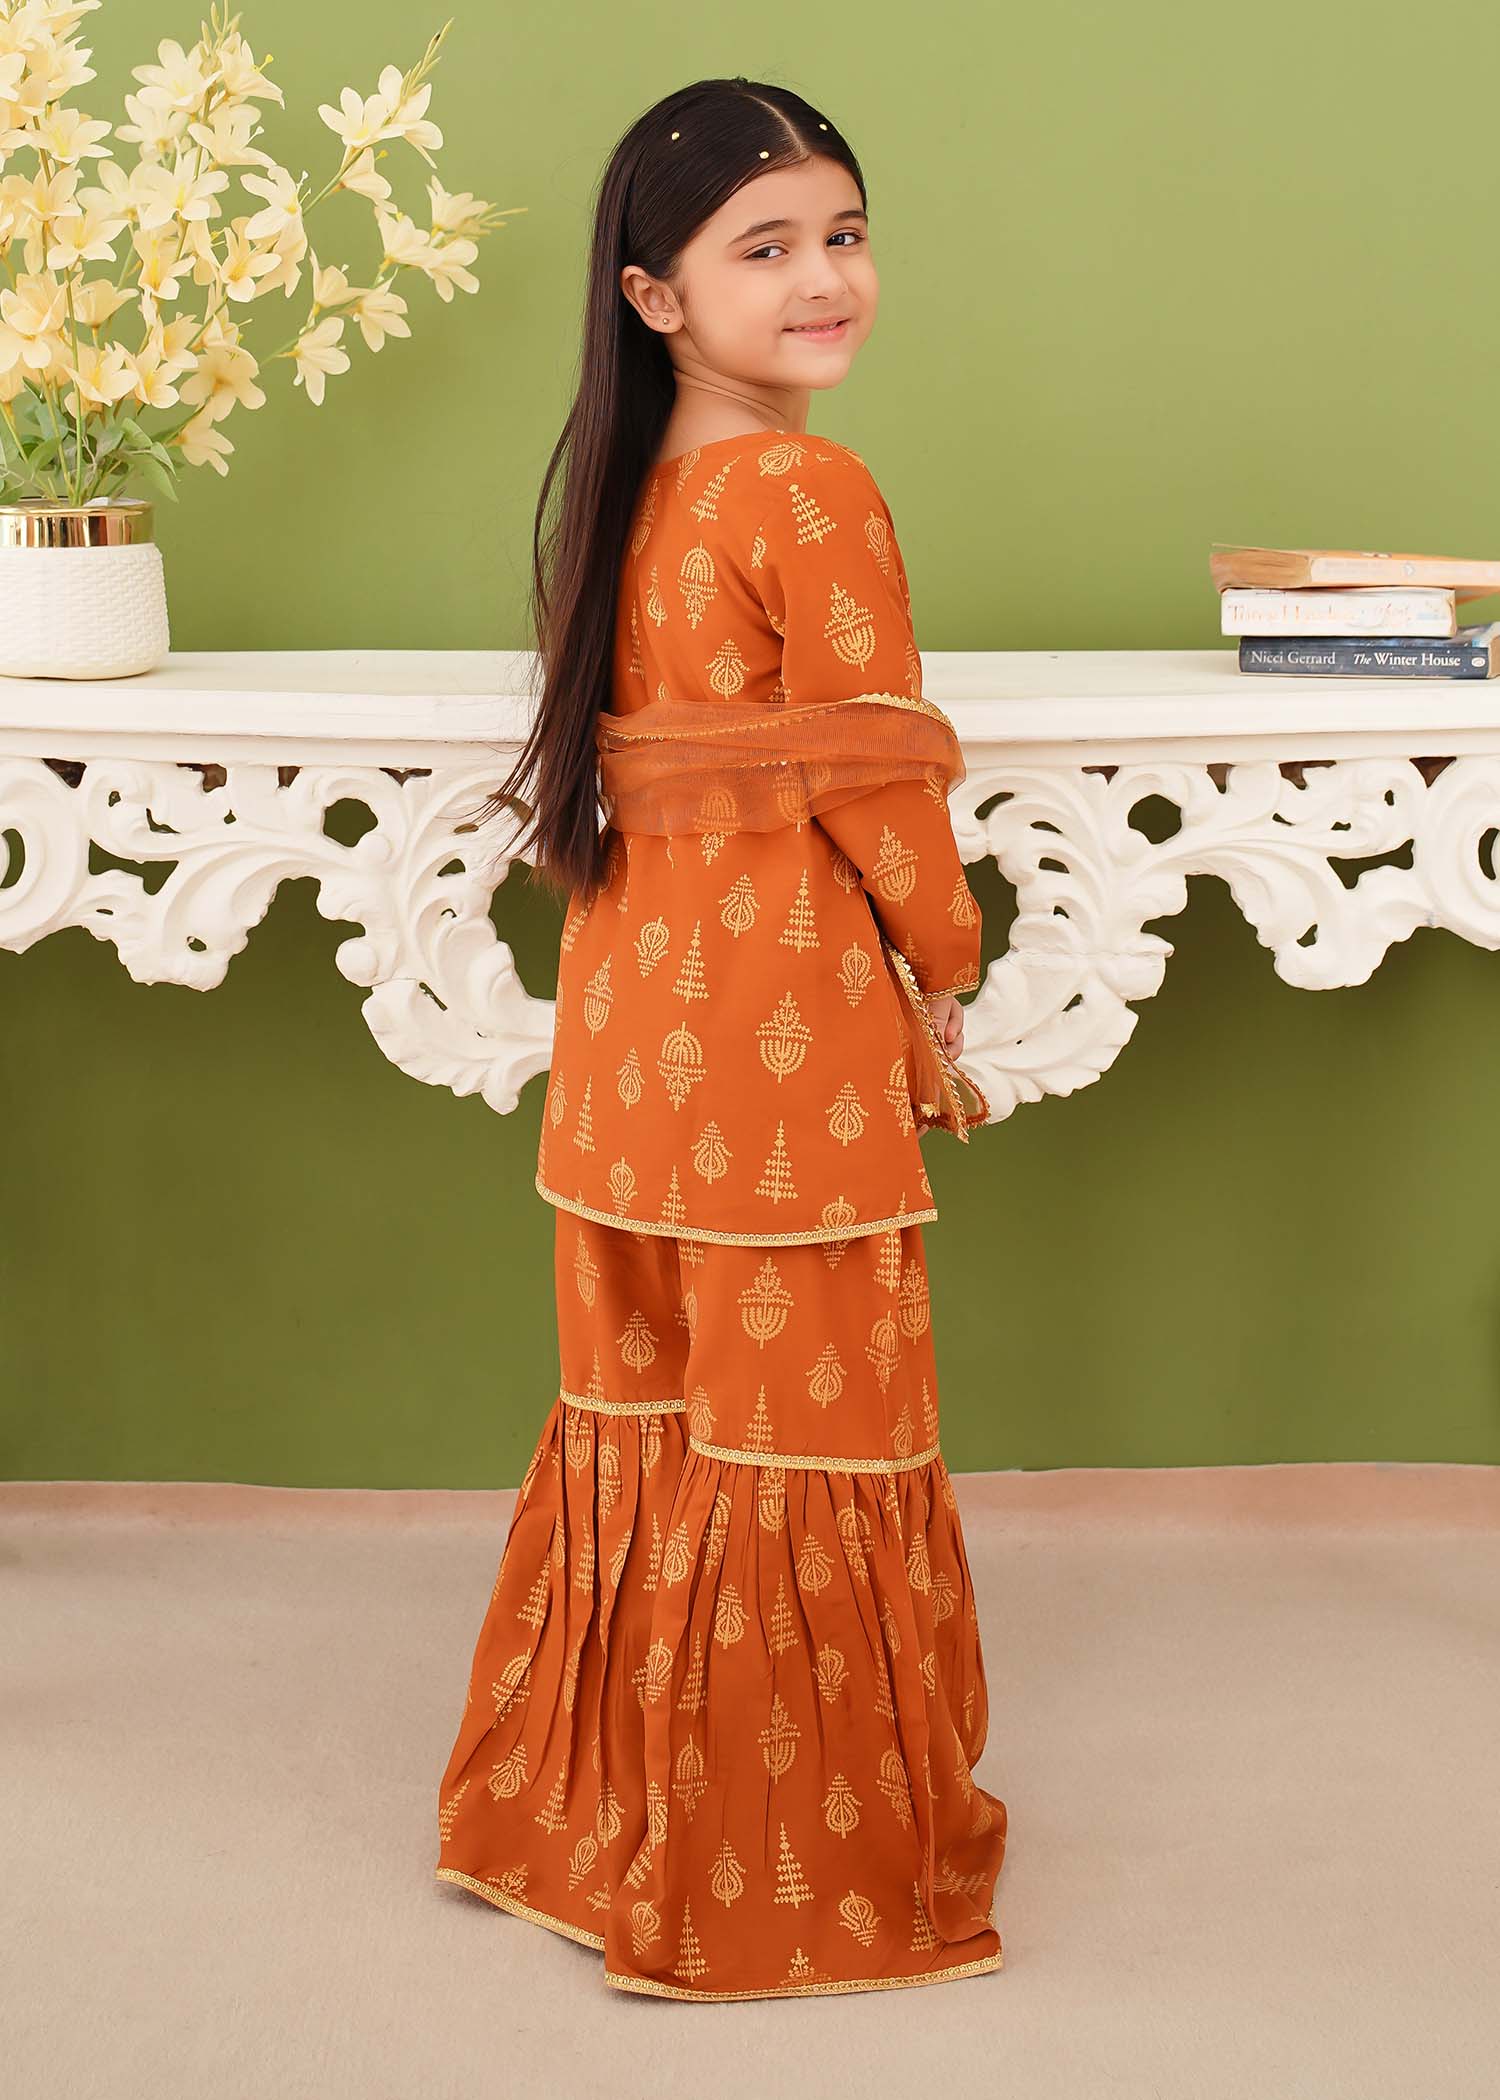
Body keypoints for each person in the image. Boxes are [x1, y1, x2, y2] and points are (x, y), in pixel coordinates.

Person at [433, 75, 1006, 2003]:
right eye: (767, 247)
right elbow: (879, 782)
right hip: (782, 1039)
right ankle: (781, 1876)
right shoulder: (804, 490)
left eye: (844, 235)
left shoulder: (629, 497)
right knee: (802, 1421)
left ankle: (596, 1832)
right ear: (656, 294)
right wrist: (948, 953)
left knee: (653, 1414)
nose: (825, 277)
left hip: (630, 1034)